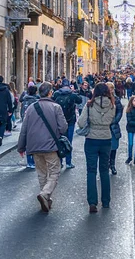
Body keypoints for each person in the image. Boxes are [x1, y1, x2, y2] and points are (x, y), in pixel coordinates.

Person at [17, 82, 67, 212]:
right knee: (55, 171)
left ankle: (46, 198)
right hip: (50, 146)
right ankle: (45, 194)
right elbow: (63, 127)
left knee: (41, 173)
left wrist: (21, 147)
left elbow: (24, 129)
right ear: (50, 93)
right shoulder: (56, 107)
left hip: (34, 146)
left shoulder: (31, 108)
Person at [77, 83, 116, 213]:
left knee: (91, 171)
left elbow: (81, 122)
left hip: (92, 139)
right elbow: (111, 121)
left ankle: (92, 203)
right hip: (106, 138)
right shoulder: (112, 105)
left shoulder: (89, 105)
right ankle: (106, 201)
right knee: (104, 171)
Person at [52, 82, 82, 169]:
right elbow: (80, 100)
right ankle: (68, 162)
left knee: (59, 141)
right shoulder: (72, 94)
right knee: (69, 141)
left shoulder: (57, 93)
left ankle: (60, 162)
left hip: (59, 121)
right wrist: (75, 92)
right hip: (70, 120)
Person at [106, 82, 123, 175]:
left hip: (113, 126)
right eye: (108, 88)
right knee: (105, 147)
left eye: (111, 88)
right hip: (104, 126)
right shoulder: (102, 99)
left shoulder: (116, 99)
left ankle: (112, 164)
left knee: (114, 147)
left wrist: (115, 120)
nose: (110, 90)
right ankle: (106, 164)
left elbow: (120, 111)